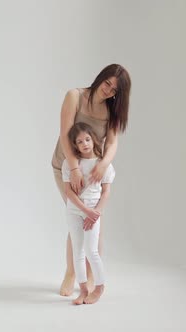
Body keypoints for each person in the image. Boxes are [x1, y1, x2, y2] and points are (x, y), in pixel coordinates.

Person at [51, 64, 131, 296]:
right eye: (107, 83)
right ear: (100, 78)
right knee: (77, 217)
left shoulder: (112, 110)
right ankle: (71, 272)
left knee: (94, 221)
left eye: (114, 90)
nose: (108, 90)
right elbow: (66, 133)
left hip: (93, 171)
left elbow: (112, 143)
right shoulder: (74, 96)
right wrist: (74, 168)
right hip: (66, 167)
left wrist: (103, 164)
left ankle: (92, 273)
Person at [62, 122, 115, 305]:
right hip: (75, 210)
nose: (84, 144)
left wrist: (95, 213)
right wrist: (84, 210)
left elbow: (106, 192)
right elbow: (68, 192)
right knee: (78, 250)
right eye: (79, 142)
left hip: (93, 211)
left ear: (93, 139)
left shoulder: (103, 165)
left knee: (91, 251)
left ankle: (99, 287)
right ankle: (83, 289)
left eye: (87, 139)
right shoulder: (70, 164)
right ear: (75, 146)